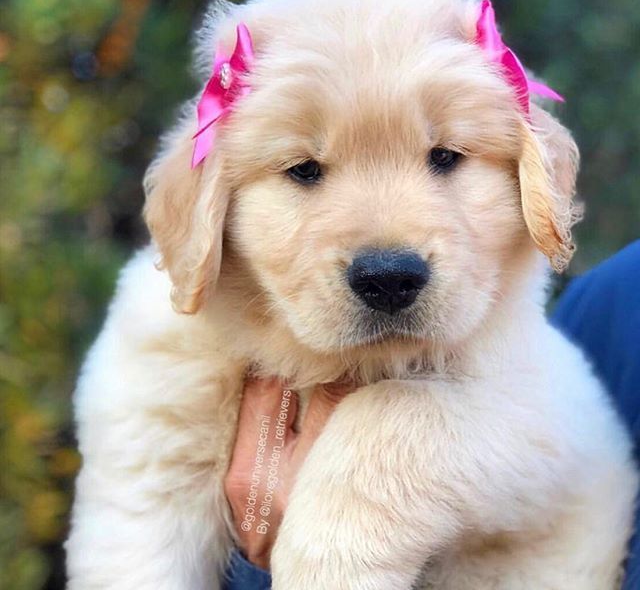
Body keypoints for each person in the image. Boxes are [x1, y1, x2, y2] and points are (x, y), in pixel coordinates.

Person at [222, 241, 640, 590]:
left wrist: (348, 520)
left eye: (443, 160)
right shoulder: (618, 294)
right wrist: (256, 560)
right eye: (306, 171)